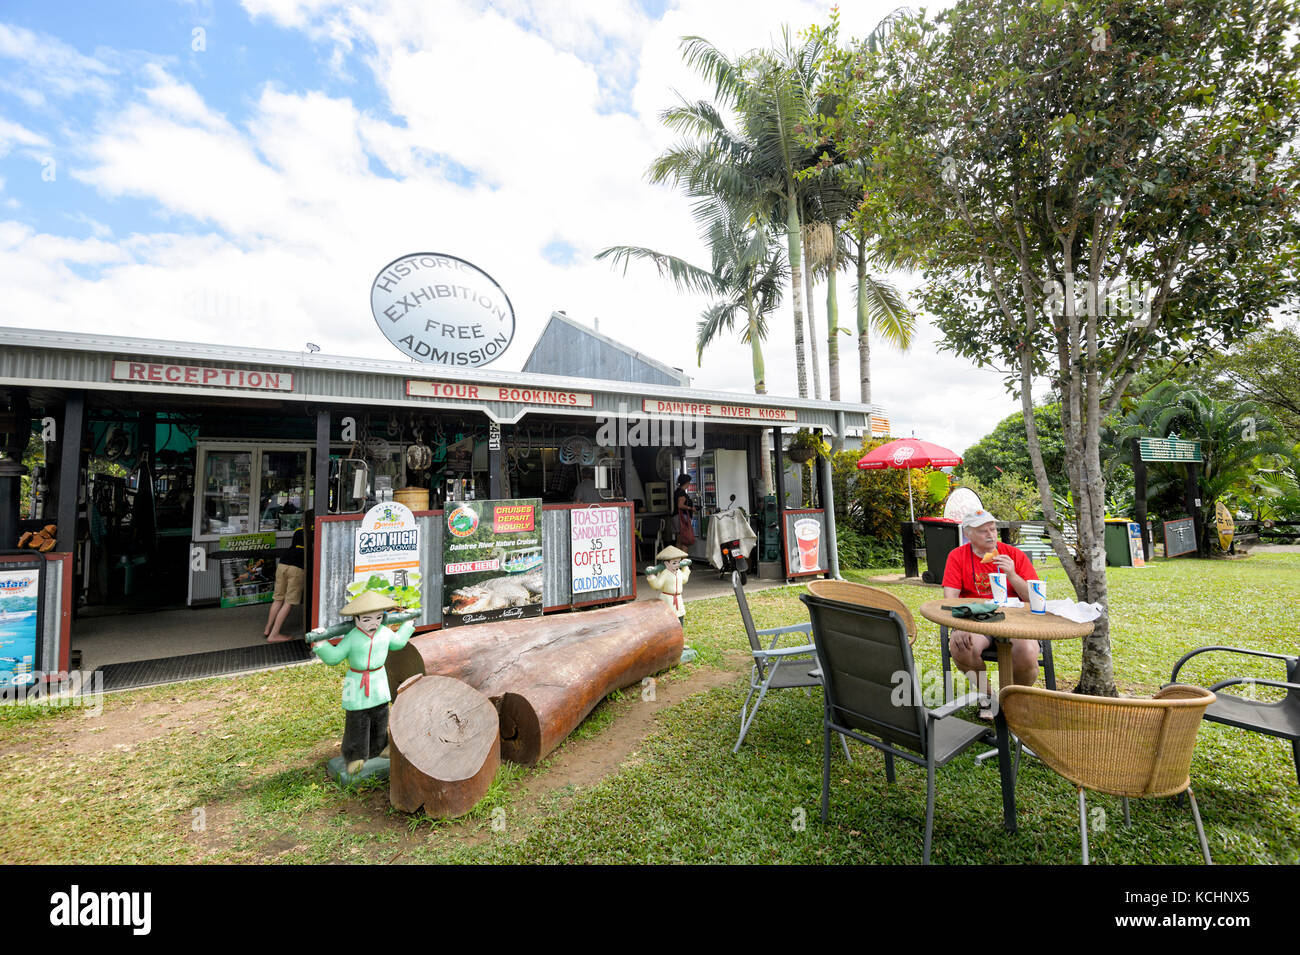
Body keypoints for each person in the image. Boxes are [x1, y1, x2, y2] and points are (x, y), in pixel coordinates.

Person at [942, 509, 1041, 709]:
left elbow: (1034, 599)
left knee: (1028, 653)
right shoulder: (957, 556)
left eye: (993, 529)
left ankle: (1011, 700)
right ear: (968, 534)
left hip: (1015, 621)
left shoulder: (1014, 555)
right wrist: (959, 626)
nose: (990, 535)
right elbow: (950, 598)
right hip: (976, 621)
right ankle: (987, 697)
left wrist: (1012, 574)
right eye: (982, 531)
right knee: (961, 647)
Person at [310, 590, 416, 776]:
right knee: (356, 719)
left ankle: (380, 747)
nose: (373, 624)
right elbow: (334, 657)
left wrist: (408, 624)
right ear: (356, 619)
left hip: (379, 679)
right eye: (366, 620)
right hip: (356, 681)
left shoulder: (384, 633)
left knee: (381, 715)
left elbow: (398, 643)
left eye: (377, 618)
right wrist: (321, 643)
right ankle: (355, 756)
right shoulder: (352, 637)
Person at [265, 522, 306, 642]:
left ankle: (267, 629)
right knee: (288, 602)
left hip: (283, 563)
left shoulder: (298, 530)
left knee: (278, 599)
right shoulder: (314, 531)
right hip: (297, 567)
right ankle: (274, 635)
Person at [672, 474, 695, 547]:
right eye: (689, 482)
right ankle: (682, 558)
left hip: (676, 517)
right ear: (687, 482)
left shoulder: (677, 491)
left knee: (679, 540)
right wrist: (691, 508)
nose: (689, 484)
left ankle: (678, 558)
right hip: (681, 518)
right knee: (684, 540)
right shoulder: (682, 493)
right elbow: (680, 505)